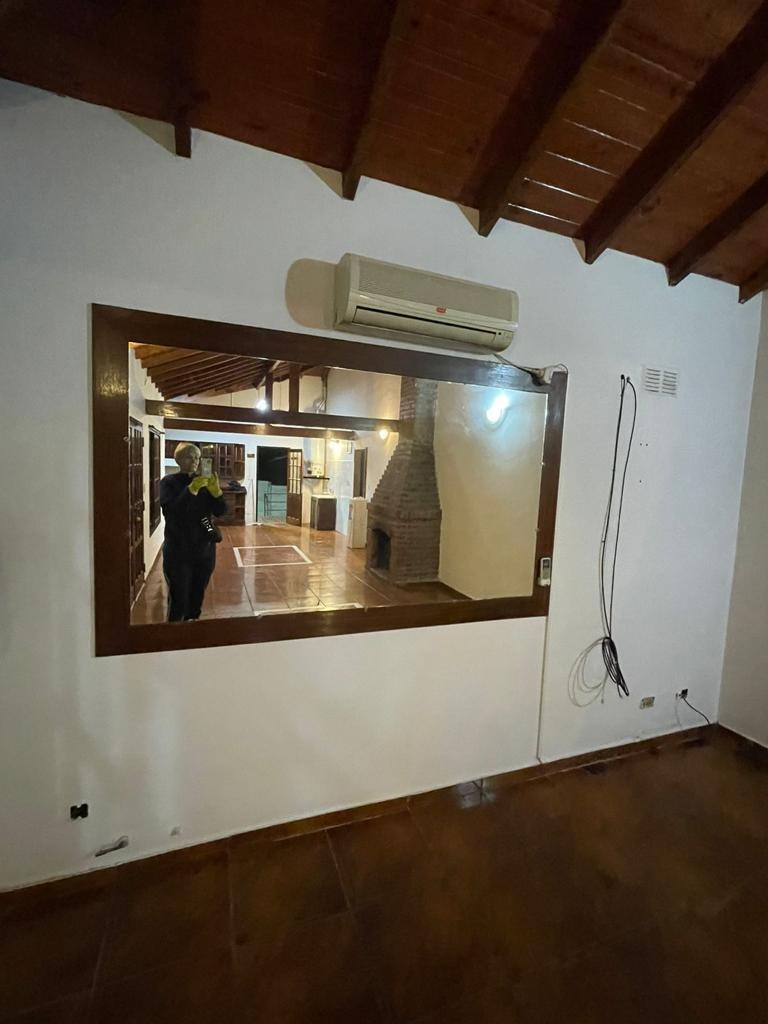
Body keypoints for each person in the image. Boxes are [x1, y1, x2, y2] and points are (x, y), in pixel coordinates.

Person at [160, 443, 227, 622]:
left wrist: (216, 492)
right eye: (190, 456)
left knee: (197, 597)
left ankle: (192, 627)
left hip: (204, 550)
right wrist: (191, 490)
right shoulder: (169, 482)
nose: (195, 460)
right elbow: (172, 512)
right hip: (178, 551)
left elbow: (220, 511)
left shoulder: (205, 481)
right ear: (178, 459)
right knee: (179, 598)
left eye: (197, 457)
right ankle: (175, 633)